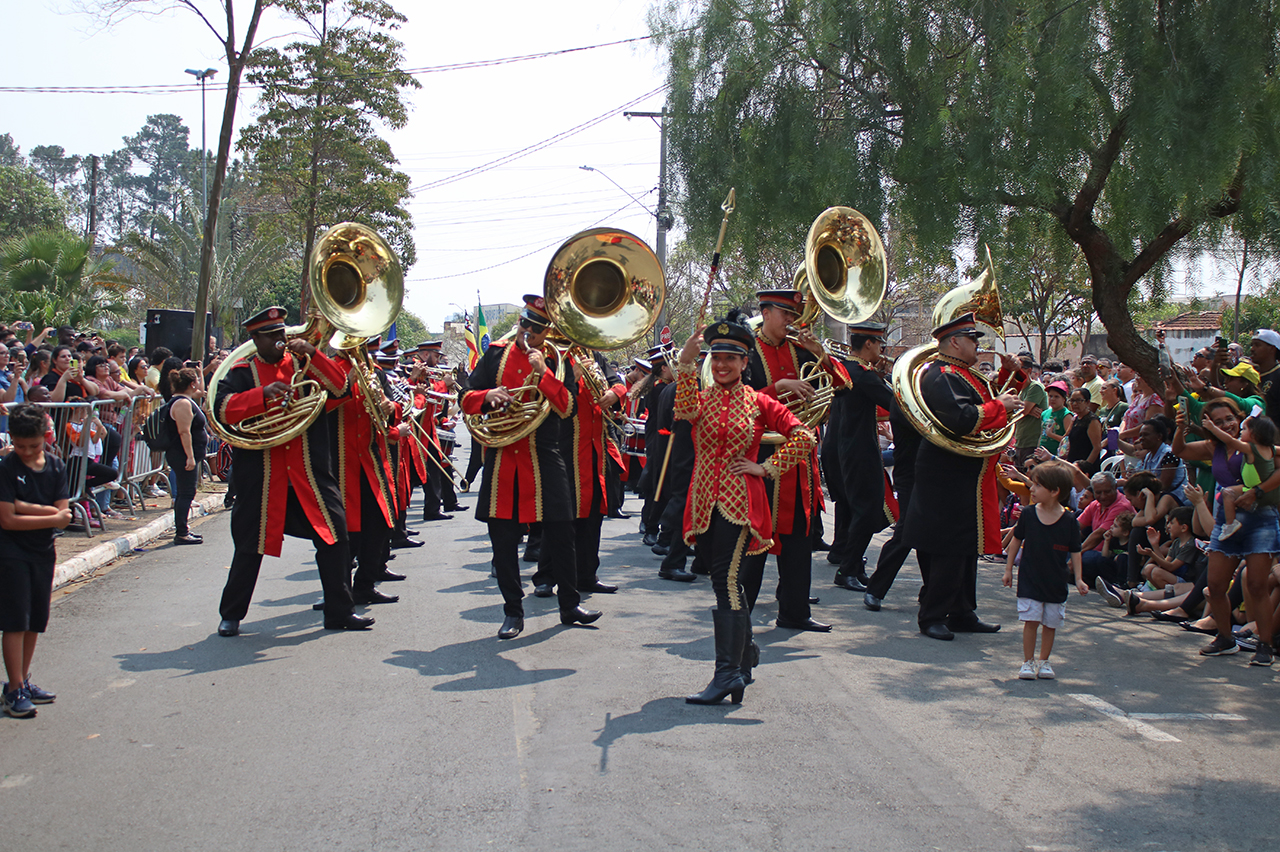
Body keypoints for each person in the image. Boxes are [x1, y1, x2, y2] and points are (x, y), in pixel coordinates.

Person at [673, 312, 813, 704]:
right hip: (703, 502)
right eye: (716, 358)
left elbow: (804, 437)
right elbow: (682, 411)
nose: (722, 365)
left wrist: (766, 468)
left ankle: (728, 673)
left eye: (730, 359)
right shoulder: (701, 399)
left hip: (740, 503)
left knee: (725, 579)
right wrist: (686, 362)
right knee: (722, 579)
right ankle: (745, 654)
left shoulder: (759, 402)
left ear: (744, 362)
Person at [213, 307, 371, 637]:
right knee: (249, 546)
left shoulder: (304, 364)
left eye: (281, 333)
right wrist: (261, 396)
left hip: (309, 473)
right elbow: (222, 409)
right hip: (262, 476)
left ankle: (340, 611)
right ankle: (231, 615)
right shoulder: (241, 371)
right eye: (271, 335)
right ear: (255, 339)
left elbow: (340, 388)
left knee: (335, 537)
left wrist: (314, 353)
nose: (280, 340)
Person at [460, 294, 600, 639]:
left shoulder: (557, 360)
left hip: (544, 455)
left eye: (536, 329)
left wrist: (544, 373)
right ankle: (513, 611)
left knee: (562, 533)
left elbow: (567, 407)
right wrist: (486, 397)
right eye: (525, 324)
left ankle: (569, 605)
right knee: (503, 539)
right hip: (503, 457)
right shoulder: (496, 354)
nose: (528, 333)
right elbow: (465, 396)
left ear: (547, 332)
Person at [903, 312, 1030, 641]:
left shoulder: (962, 373)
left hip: (966, 471)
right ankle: (932, 615)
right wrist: (1000, 405)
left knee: (965, 545)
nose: (978, 345)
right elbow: (963, 418)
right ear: (955, 342)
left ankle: (961, 611)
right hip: (947, 471)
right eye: (973, 339)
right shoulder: (941, 375)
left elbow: (991, 399)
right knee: (948, 546)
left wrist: (1011, 374)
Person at [743, 288, 851, 631]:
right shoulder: (746, 352)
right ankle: (737, 618)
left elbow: (843, 385)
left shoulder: (801, 349)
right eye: (785, 314)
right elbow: (734, 400)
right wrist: (778, 389)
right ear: (765, 313)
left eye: (793, 314)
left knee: (798, 543)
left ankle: (794, 612)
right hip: (760, 457)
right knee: (754, 542)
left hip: (798, 460)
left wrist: (821, 354)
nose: (792, 320)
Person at [1171, 398, 1276, 663]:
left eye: (1229, 419)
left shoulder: (1254, 442)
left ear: (1239, 418)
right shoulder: (1213, 446)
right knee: (1216, 585)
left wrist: (1257, 491)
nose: (1226, 424)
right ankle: (1225, 638)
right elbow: (1180, 450)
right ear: (1210, 425)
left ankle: (1265, 645)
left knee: (1257, 585)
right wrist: (1180, 428)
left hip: (1260, 519)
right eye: (1218, 422)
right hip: (1227, 521)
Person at [0, 403, 72, 718]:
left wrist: (25, 507)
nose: (27, 452)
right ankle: (13, 688)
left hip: (43, 550)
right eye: (20, 446)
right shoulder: (7, 467)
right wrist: (51, 516)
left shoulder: (55, 466)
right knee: (15, 620)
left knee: (35, 620)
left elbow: (65, 513)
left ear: (45, 438)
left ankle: (23, 680)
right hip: (11, 550)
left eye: (34, 446)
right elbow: (7, 519)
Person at [1003, 461, 1088, 679]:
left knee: (1051, 623)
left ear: (1054, 491)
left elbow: (1076, 551)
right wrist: (1008, 569)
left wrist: (1079, 578)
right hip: (1030, 577)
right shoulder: (1028, 514)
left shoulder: (1069, 520)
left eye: (1038, 485)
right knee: (1031, 621)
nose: (1032, 488)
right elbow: (1016, 540)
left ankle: (1044, 661)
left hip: (1056, 581)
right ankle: (1027, 662)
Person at [1211, 414, 1277, 540]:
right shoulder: (1270, 448)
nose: (1241, 431)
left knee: (1227, 493)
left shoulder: (1250, 448)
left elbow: (1230, 441)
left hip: (1252, 488)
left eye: (1245, 429)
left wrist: (1212, 428)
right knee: (1228, 492)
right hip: (1251, 486)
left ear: (1255, 435)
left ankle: (1230, 523)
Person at [166, 367, 206, 545]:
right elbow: (184, 432)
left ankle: (184, 529)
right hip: (182, 454)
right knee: (186, 493)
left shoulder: (186, 399)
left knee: (187, 492)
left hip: (186, 454)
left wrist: (201, 374)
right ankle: (181, 532)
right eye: (196, 380)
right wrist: (190, 456)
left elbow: (201, 392)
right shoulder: (182, 403)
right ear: (191, 384)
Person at [1014, 354, 1048, 467]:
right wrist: (1025, 409)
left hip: (1032, 442)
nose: (1014, 372)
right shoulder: (1019, 390)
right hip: (1020, 441)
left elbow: (1023, 411)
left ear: (1029, 370)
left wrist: (1023, 409)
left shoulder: (1035, 387)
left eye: (1019, 369)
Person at [1040, 381, 1071, 455]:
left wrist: (1051, 435)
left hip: (1056, 455)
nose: (1052, 399)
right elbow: (1041, 435)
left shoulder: (1066, 415)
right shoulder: (1044, 413)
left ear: (1064, 399)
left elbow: (1069, 441)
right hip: (1042, 452)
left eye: (1056, 396)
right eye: (1050, 396)